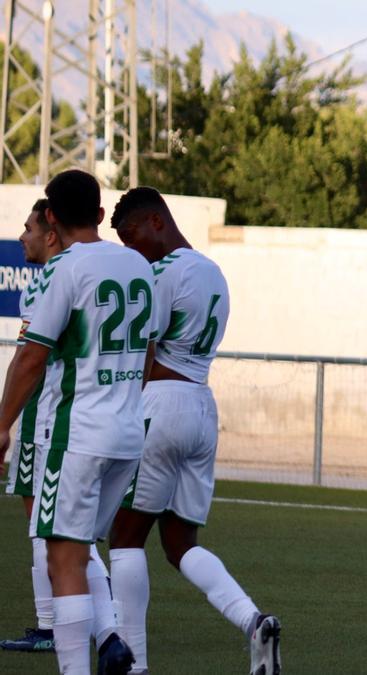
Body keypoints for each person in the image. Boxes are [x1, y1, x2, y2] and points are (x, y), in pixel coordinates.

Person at [106, 186, 280, 675]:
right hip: (201, 406)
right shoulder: (213, 272)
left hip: (159, 407)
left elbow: (143, 350)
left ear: (158, 220)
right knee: (181, 545)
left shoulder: (159, 273)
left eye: (132, 234)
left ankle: (134, 663)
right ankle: (254, 621)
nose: (129, 247)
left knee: (123, 537)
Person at [0, 170, 153, 674]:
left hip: (75, 433)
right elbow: (150, 347)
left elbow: (30, 357)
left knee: (61, 555)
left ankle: (83, 662)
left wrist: (1, 425)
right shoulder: (137, 265)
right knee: (79, 544)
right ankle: (109, 636)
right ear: (103, 214)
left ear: (50, 217)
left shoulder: (63, 267)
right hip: (128, 434)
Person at [0, 200, 63, 654]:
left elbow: (29, 358)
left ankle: (49, 626)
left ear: (50, 231)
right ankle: (102, 621)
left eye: (28, 228)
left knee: (42, 522)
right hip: (88, 413)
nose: (22, 236)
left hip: (44, 412)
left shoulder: (48, 283)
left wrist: (6, 421)